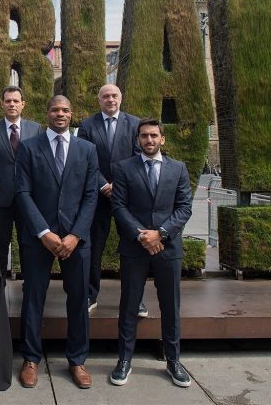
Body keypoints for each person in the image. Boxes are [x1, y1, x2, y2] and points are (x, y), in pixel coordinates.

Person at [15, 95, 99, 390]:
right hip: (39, 238)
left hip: (77, 239)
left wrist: (75, 234)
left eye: (65, 110)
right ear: (47, 113)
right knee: (33, 298)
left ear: (71, 114)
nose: (60, 114)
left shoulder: (87, 150)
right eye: (55, 110)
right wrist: (44, 232)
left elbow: (91, 195)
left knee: (78, 299)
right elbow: (23, 193)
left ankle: (77, 360)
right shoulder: (29, 147)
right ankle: (30, 359)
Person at [110, 118, 193, 388]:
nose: (149, 140)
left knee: (171, 306)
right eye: (144, 136)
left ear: (162, 139)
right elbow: (119, 207)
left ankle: (174, 361)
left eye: (154, 135)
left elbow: (184, 207)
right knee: (129, 306)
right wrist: (142, 236)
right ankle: (124, 360)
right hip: (135, 248)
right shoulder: (124, 168)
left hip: (168, 249)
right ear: (138, 140)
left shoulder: (178, 169)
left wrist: (161, 234)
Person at [77, 83, 146, 316]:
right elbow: (84, 159)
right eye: (106, 96)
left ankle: (136, 300)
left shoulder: (135, 124)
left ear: (121, 98)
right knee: (94, 248)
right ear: (99, 100)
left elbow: (139, 157)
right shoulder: (87, 125)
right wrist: (103, 184)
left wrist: (119, 185)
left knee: (134, 249)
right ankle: (90, 294)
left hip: (128, 198)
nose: (110, 99)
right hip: (98, 197)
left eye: (114, 95)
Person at [0, 85, 42, 278]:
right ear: (2, 104)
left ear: (23, 104)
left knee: (28, 245)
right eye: (8, 101)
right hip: (0, 200)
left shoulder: (36, 129)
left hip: (28, 199)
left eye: (16, 101)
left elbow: (41, 166)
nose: (12, 104)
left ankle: (29, 285)